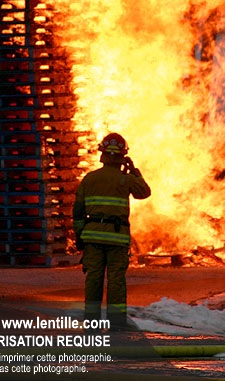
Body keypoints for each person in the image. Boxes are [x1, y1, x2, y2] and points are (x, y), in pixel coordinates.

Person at [73, 132, 151, 329]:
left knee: (94, 279)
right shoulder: (126, 179)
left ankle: (92, 322)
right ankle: (116, 323)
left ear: (103, 154)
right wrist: (135, 171)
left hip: (92, 239)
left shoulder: (89, 179)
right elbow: (144, 192)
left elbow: (78, 211)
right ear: (123, 156)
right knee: (116, 281)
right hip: (117, 239)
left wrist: (80, 236)